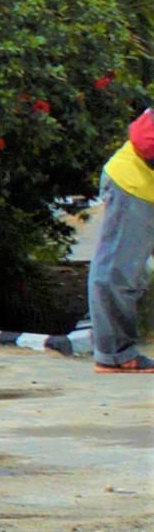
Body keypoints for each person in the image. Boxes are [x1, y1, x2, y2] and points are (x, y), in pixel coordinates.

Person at [81, 106, 154, 373]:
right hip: (133, 186)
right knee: (118, 270)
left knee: (128, 272)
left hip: (144, 189)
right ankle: (115, 354)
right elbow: (145, 140)